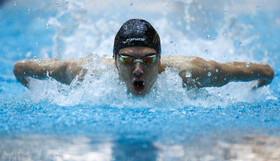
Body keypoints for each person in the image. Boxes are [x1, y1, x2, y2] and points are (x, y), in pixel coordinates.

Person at [13, 19, 274, 96]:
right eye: (127, 60)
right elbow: (20, 68)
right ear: (114, 60)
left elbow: (265, 71)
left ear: (161, 60)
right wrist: (29, 83)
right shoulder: (87, 73)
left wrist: (258, 85)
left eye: (148, 59)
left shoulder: (192, 71)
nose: (138, 69)